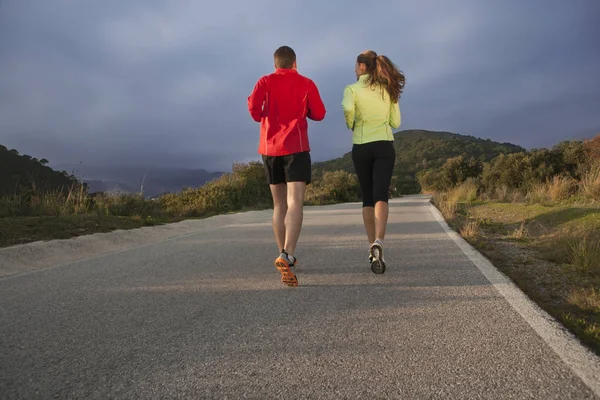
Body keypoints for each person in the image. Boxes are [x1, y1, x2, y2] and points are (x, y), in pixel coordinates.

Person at [248, 45, 326, 287]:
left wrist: (264, 116)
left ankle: (282, 253)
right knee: (295, 202)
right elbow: (320, 113)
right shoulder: (307, 83)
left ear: (275, 64)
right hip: (297, 148)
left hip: (270, 149)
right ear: (295, 62)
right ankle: (288, 255)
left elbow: (253, 109)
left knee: (279, 204)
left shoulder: (264, 81)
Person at [341, 50, 405, 274]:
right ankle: (380, 240)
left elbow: (348, 109)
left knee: (367, 197)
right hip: (384, 145)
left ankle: (371, 248)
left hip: (361, 146)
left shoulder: (352, 89)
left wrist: (352, 123)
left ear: (360, 67)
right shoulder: (387, 89)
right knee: (381, 195)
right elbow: (395, 121)